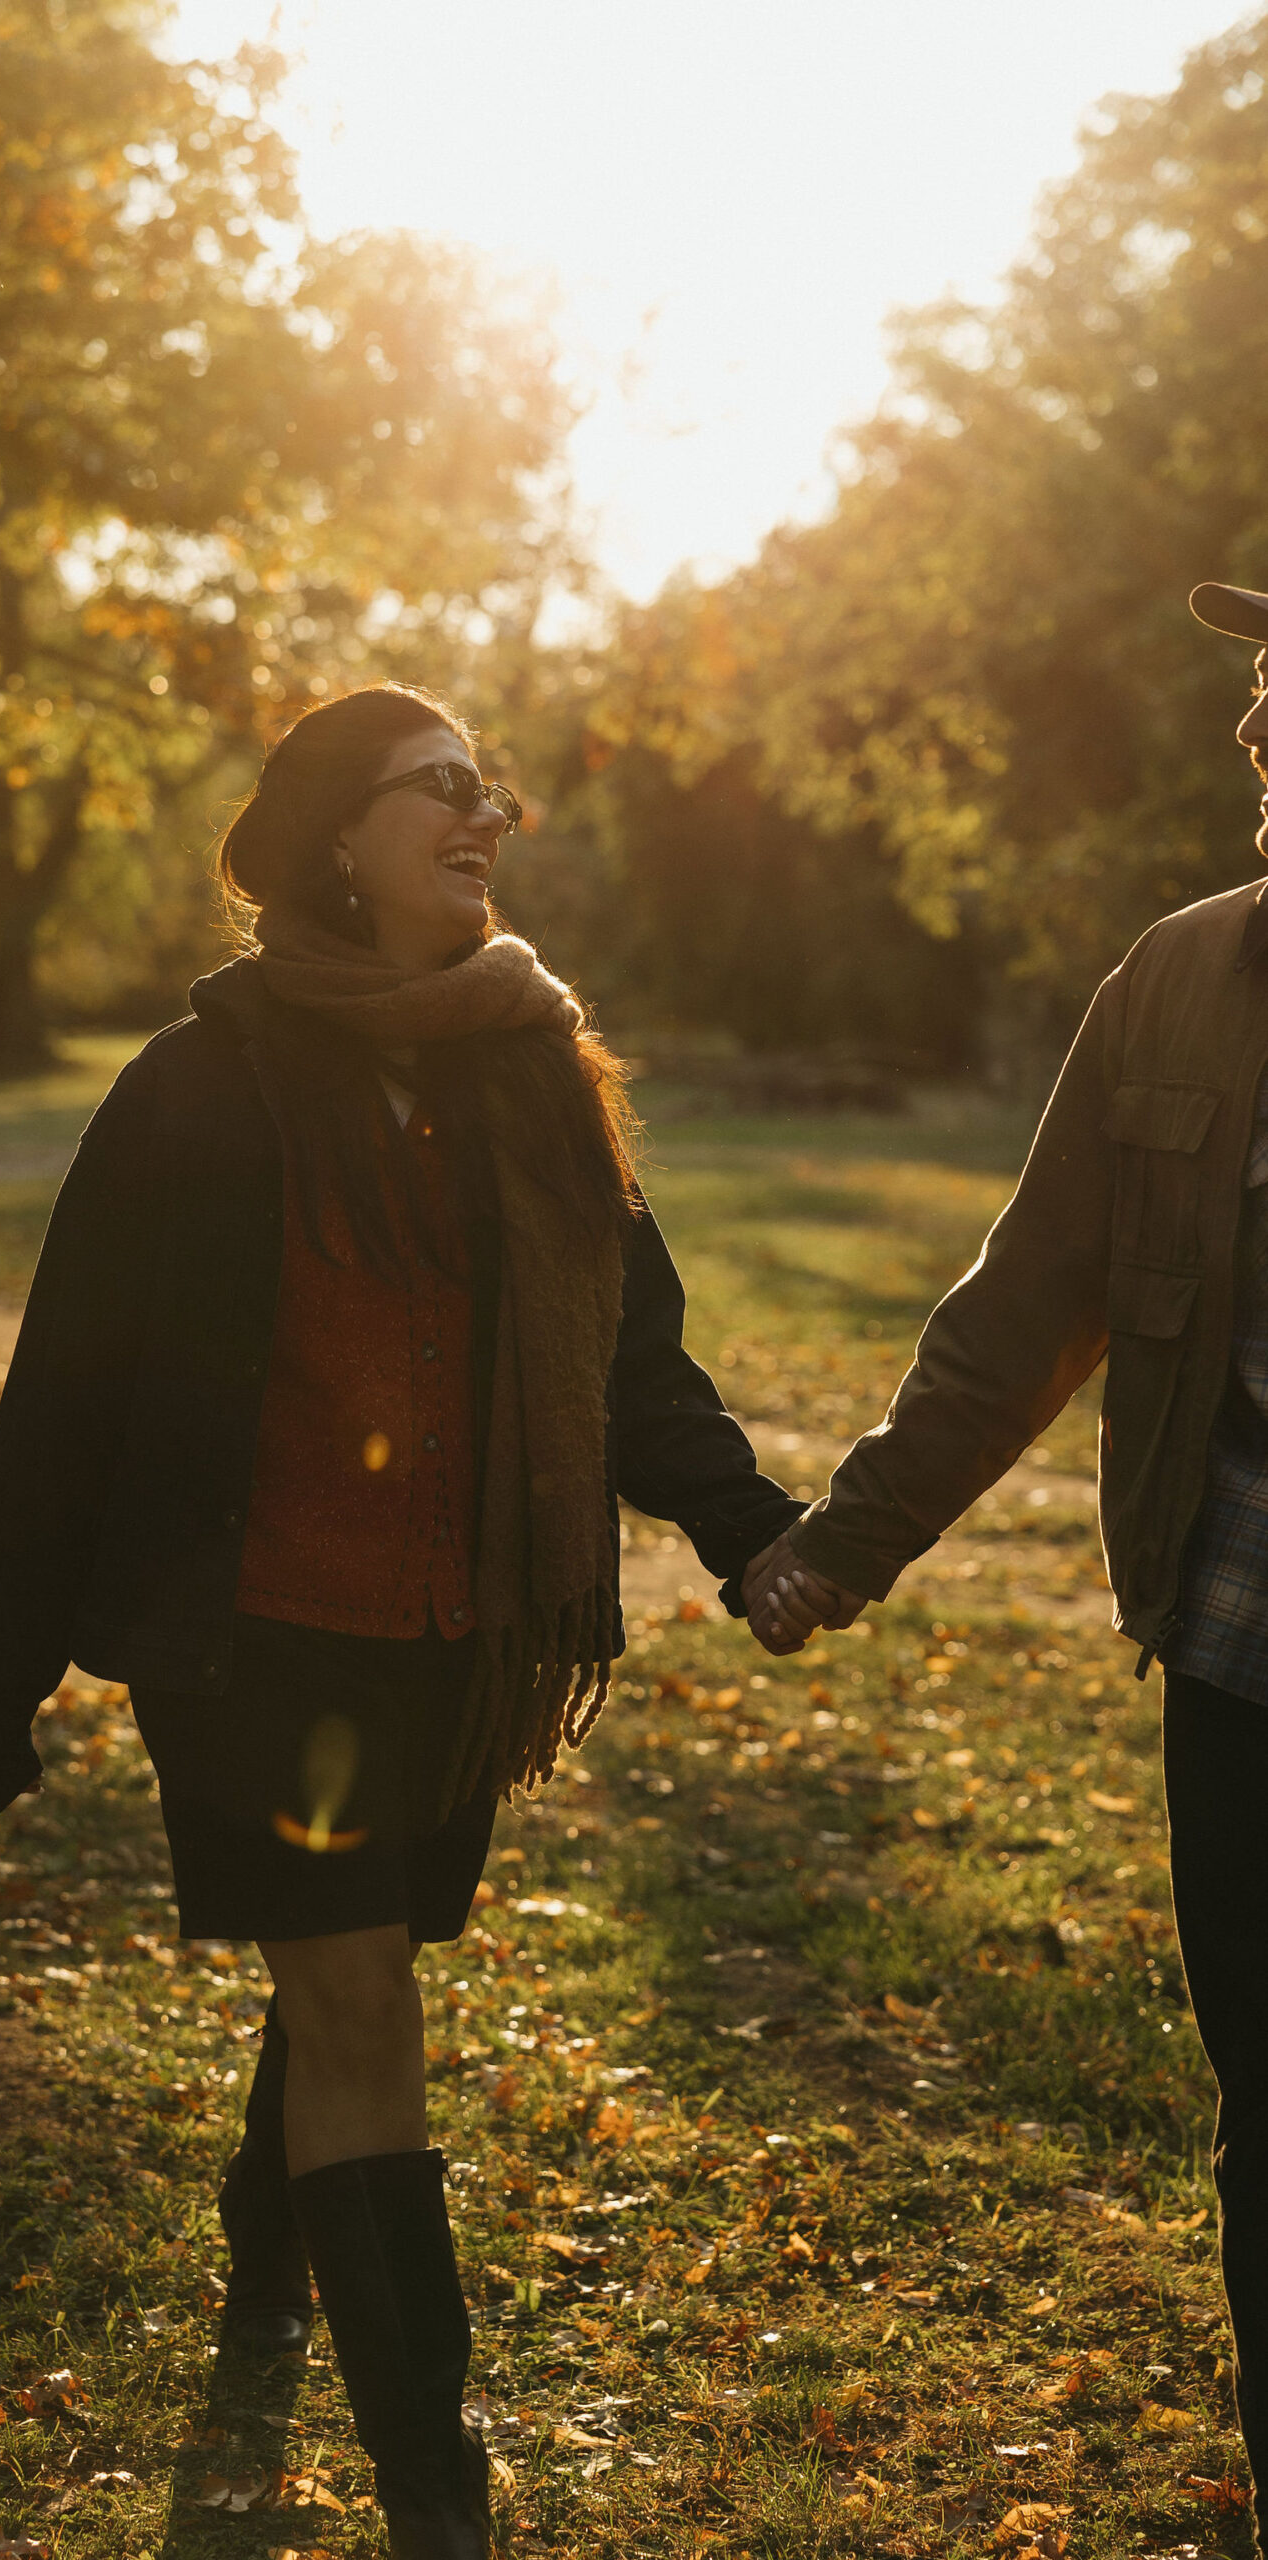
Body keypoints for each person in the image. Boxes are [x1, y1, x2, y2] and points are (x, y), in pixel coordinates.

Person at [0, 682, 806, 2560]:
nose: (482, 816)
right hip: (259, 1641)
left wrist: (753, 1537)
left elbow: (634, 1368)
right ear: (338, 833)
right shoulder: (199, 1089)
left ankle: (269, 2267)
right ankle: (440, 2484)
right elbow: (67, 1387)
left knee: (361, 1970)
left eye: (488, 792)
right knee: (357, 1995)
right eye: (438, 791)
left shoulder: (534, 1067)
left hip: (455, 1637)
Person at [743, 579, 1268, 2549]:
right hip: (1240, 1648)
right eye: (1263, 710)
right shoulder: (1178, 981)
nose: (1259, 744)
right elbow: (1022, 1306)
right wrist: (837, 1547)